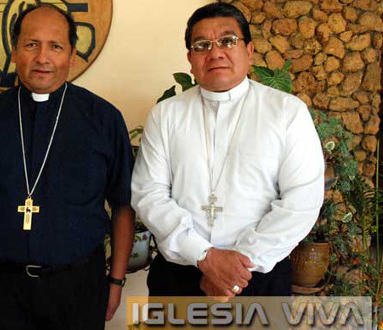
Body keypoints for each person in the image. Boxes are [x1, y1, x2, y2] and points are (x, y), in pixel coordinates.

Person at [0, 4, 134, 329]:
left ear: (71, 55)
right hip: (4, 287)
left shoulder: (103, 119)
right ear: (14, 52)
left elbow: (123, 205)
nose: (43, 58)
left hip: (80, 286)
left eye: (55, 46)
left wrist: (116, 281)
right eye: (31, 44)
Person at [131, 2, 324, 298]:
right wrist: (206, 257)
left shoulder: (287, 112)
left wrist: (236, 268)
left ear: (249, 51)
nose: (215, 52)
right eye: (202, 45)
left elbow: (302, 199)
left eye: (227, 40)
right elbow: (149, 193)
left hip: (258, 279)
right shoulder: (166, 115)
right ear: (190, 59)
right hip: (179, 277)